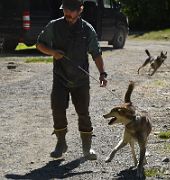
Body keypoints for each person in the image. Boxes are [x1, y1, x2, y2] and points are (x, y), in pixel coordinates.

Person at [36, 0, 107, 160]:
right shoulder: (54, 26)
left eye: (71, 10)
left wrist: (102, 73)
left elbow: (96, 53)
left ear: (80, 10)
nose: (67, 13)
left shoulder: (87, 30)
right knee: (58, 109)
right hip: (60, 77)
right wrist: (53, 52)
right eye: (65, 9)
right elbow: (39, 44)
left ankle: (87, 148)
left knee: (83, 112)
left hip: (81, 80)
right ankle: (61, 144)